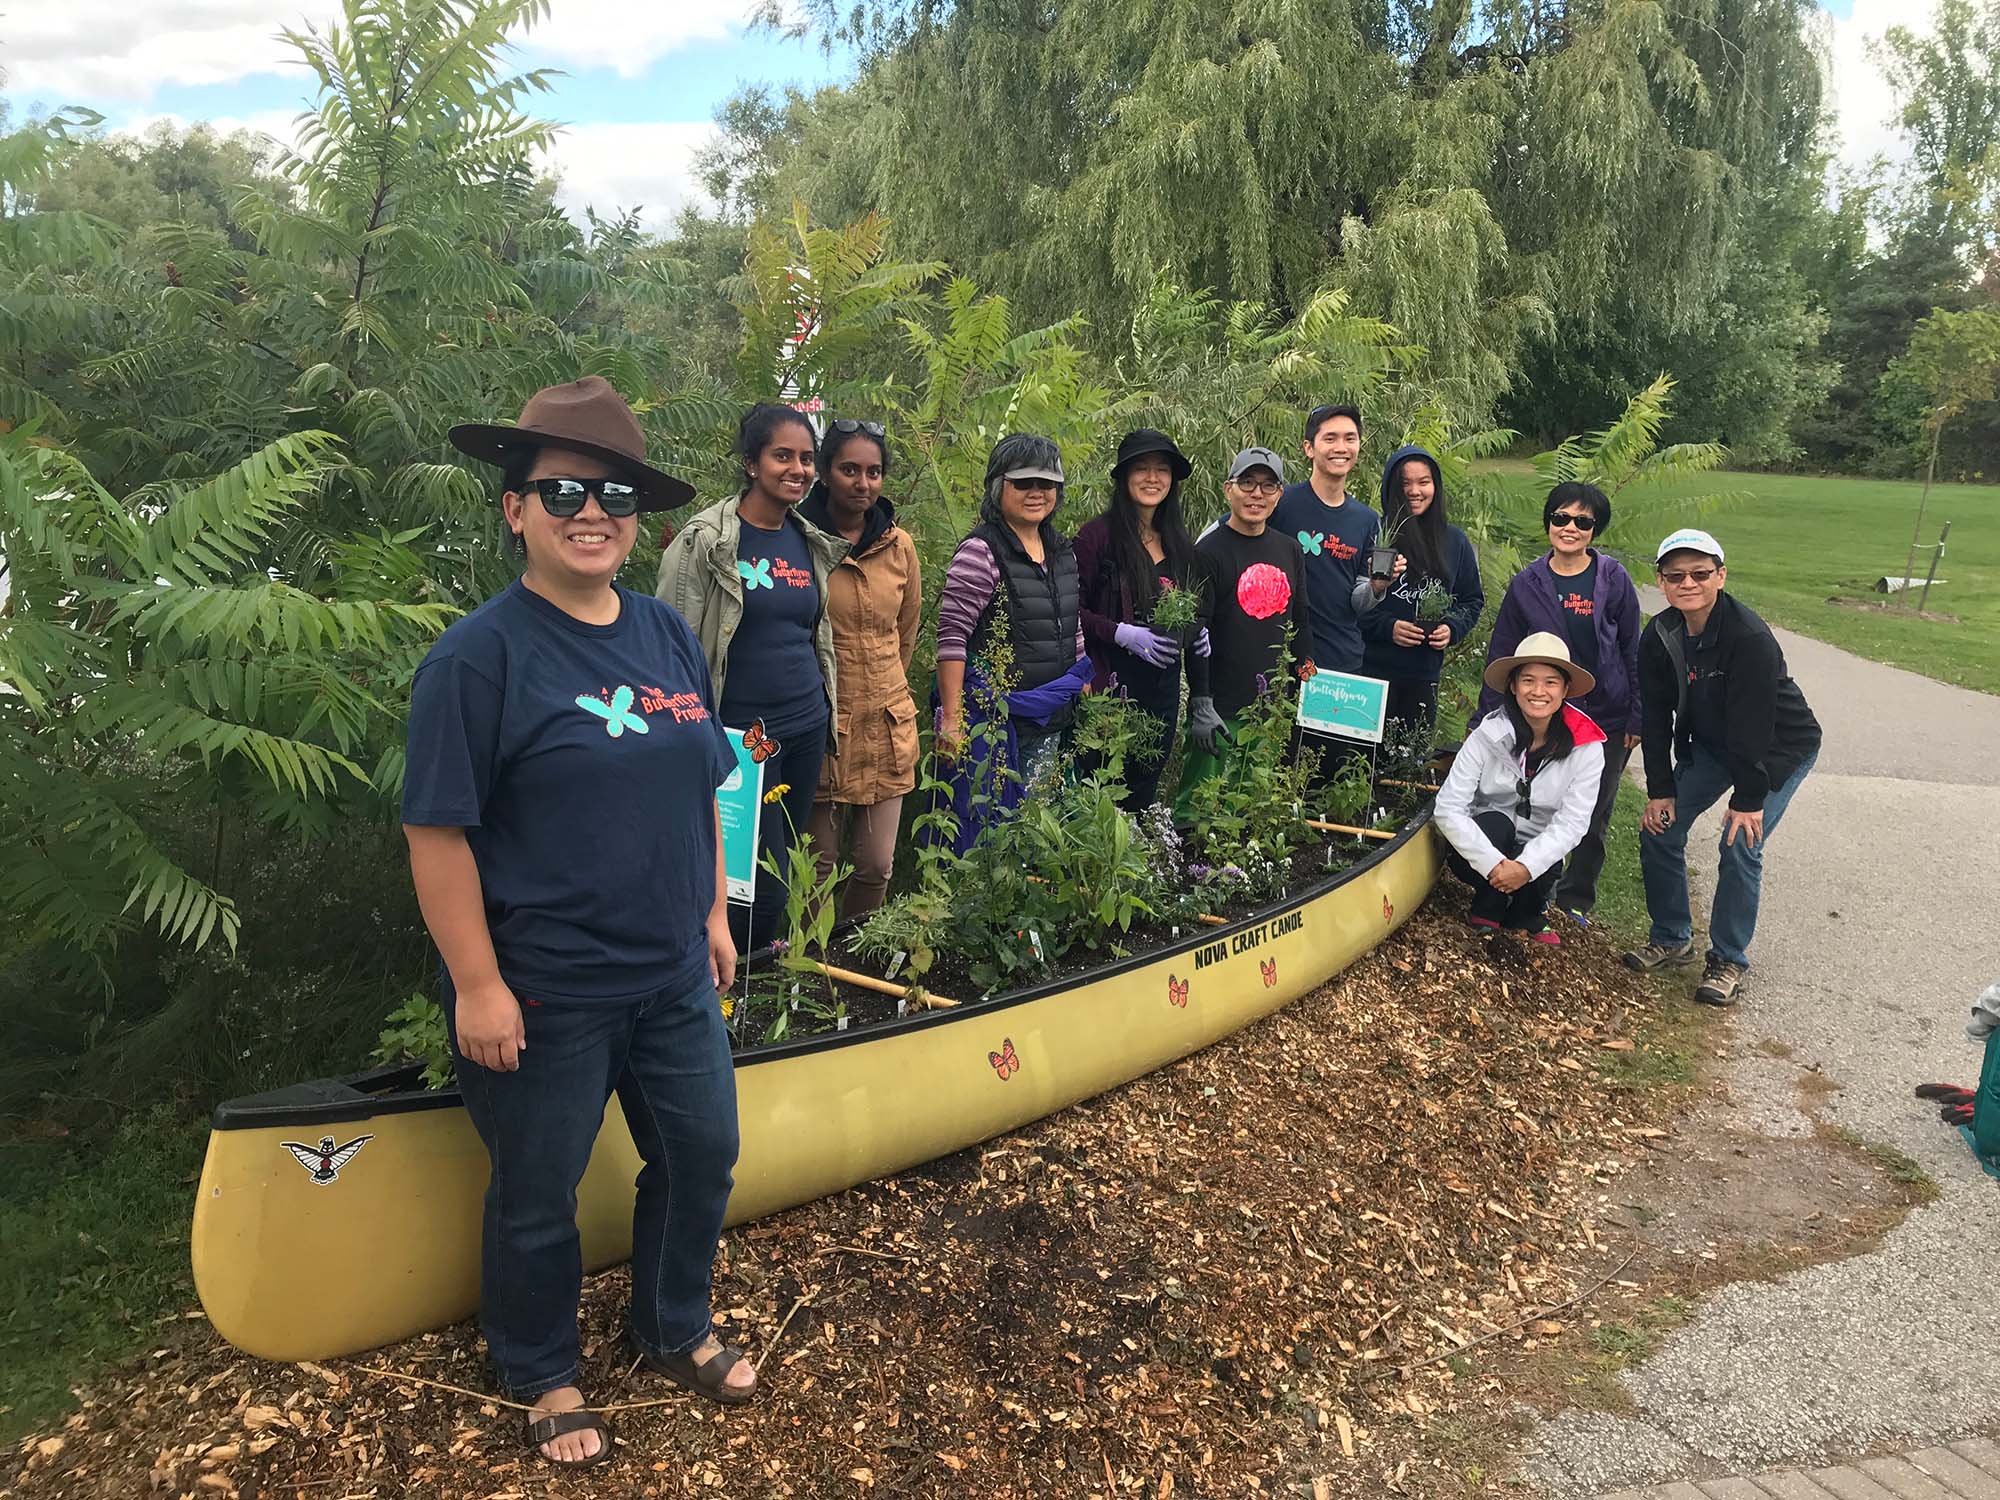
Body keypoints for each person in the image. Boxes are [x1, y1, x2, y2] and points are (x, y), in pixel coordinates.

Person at [406, 378, 754, 1469]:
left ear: (636, 516)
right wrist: (476, 983)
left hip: (669, 976)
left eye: (611, 493)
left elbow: (700, 779)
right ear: (514, 510)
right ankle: (541, 1369)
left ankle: (669, 1326)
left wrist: (710, 909)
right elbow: (437, 836)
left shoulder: (661, 633)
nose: (589, 512)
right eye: (562, 492)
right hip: (546, 990)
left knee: (702, 1158)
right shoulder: (477, 660)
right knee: (536, 1199)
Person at [658, 403, 847, 951]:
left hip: (806, 723)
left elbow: (813, 632)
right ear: (750, 463)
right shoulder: (704, 541)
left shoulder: (807, 539)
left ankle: (756, 996)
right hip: (740, 737)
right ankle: (732, 988)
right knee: (751, 883)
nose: (798, 469)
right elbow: (670, 645)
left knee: (788, 857)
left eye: (807, 459)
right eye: (782, 456)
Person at [1625, 528, 1821, 1006]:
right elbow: (1654, 715)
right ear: (1662, 581)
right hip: (1715, 747)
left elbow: (1753, 727)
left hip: (1778, 748)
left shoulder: (1748, 637)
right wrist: (1660, 789)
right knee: (1659, 831)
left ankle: (1728, 959)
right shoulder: (1661, 634)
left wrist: (1748, 800)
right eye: (1675, 575)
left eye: (1699, 573)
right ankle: (1672, 937)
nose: (1687, 582)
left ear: (1721, 575)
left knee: (1740, 842)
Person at [1478, 481, 1644, 924]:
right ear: (1548, 522)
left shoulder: (1613, 579)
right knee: (1530, 802)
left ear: (1595, 530)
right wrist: (1485, 716)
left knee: (1593, 812)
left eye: (1582, 521)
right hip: (1541, 713)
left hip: (1606, 714)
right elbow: (1503, 651)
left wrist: (1637, 713)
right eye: (1561, 518)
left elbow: (1633, 648)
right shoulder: (1527, 583)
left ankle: (1574, 899)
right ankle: (1525, 886)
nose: (1570, 527)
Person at [931, 433, 1092, 849]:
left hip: (1052, 716)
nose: (1036, 492)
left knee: (1041, 836)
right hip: (998, 726)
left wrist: (1081, 671)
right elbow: (952, 638)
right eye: (1023, 483)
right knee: (993, 839)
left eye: (1047, 483)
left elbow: (1069, 619)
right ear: (998, 486)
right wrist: (952, 719)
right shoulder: (981, 552)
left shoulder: (1062, 551)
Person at [799, 419, 921, 921]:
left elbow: (906, 634)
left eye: (873, 472)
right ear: (826, 473)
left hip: (886, 727)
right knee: (816, 872)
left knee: (876, 865)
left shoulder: (899, 547)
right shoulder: (796, 542)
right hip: (823, 725)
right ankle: (812, 976)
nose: (862, 483)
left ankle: (852, 963)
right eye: (849, 469)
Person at [1435, 632, 1609, 944]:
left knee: (1546, 852)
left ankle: (1527, 912)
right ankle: (1488, 904)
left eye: (1551, 682)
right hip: (1484, 850)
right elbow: (1447, 808)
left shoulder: (1587, 748)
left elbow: (1573, 822)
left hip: (1538, 856)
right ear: (1513, 686)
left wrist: (1526, 867)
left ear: (1566, 689)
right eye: (1528, 680)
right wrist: (1493, 864)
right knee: (1496, 823)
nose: (1538, 691)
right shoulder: (1486, 736)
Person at [1072, 428, 1206, 810]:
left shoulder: (1178, 541)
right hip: (1106, 691)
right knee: (1099, 795)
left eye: (1161, 469)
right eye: (1142, 468)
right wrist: (1120, 632)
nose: (1152, 478)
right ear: (1124, 477)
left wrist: (1196, 631)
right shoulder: (1096, 537)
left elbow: (1190, 605)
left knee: (1142, 792)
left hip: (1160, 691)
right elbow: (1071, 611)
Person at [1177, 447, 1315, 813]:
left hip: (1268, 712)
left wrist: (1308, 679)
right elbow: (1195, 630)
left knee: (1252, 809)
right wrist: (1201, 701)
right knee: (1200, 809)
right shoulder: (1208, 552)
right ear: (1228, 489)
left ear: (1280, 495)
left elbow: (1300, 622)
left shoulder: (1289, 550)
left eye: (1268, 486)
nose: (1257, 494)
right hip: (1219, 708)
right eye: (1248, 483)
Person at [1358, 445, 1485, 738]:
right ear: (1392, 487)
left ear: (1435, 486)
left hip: (1424, 674)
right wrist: (1387, 627)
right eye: (1405, 483)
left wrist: (1452, 628)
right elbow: (1347, 600)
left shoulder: (1454, 541)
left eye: (1423, 482)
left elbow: (1471, 600)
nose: (1414, 491)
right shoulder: (1376, 534)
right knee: (1363, 764)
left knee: (1409, 758)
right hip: (1372, 672)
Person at [1269, 403, 1392, 674]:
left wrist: (1376, 587)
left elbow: (1357, 602)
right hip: (1280, 660)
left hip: (1341, 661)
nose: (1341, 447)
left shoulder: (1367, 520)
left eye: (1350, 438)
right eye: (1330, 438)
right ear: (1309, 448)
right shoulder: (1279, 503)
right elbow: (1227, 533)